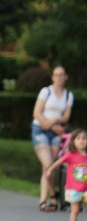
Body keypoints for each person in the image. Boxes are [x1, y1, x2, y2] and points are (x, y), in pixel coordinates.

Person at [32, 66, 73, 212]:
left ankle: (46, 199)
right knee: (48, 163)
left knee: (50, 168)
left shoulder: (68, 95)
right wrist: (51, 125)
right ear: (52, 77)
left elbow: (66, 117)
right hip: (41, 129)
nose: (59, 78)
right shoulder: (46, 91)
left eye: (61, 75)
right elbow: (36, 112)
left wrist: (54, 122)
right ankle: (51, 197)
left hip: (56, 132)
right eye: (56, 75)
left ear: (65, 77)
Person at [45, 129, 87, 221]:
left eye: (84, 138)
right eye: (78, 139)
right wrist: (50, 170)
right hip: (73, 189)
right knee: (75, 210)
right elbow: (58, 162)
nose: (82, 141)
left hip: (85, 188)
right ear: (73, 141)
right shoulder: (71, 155)